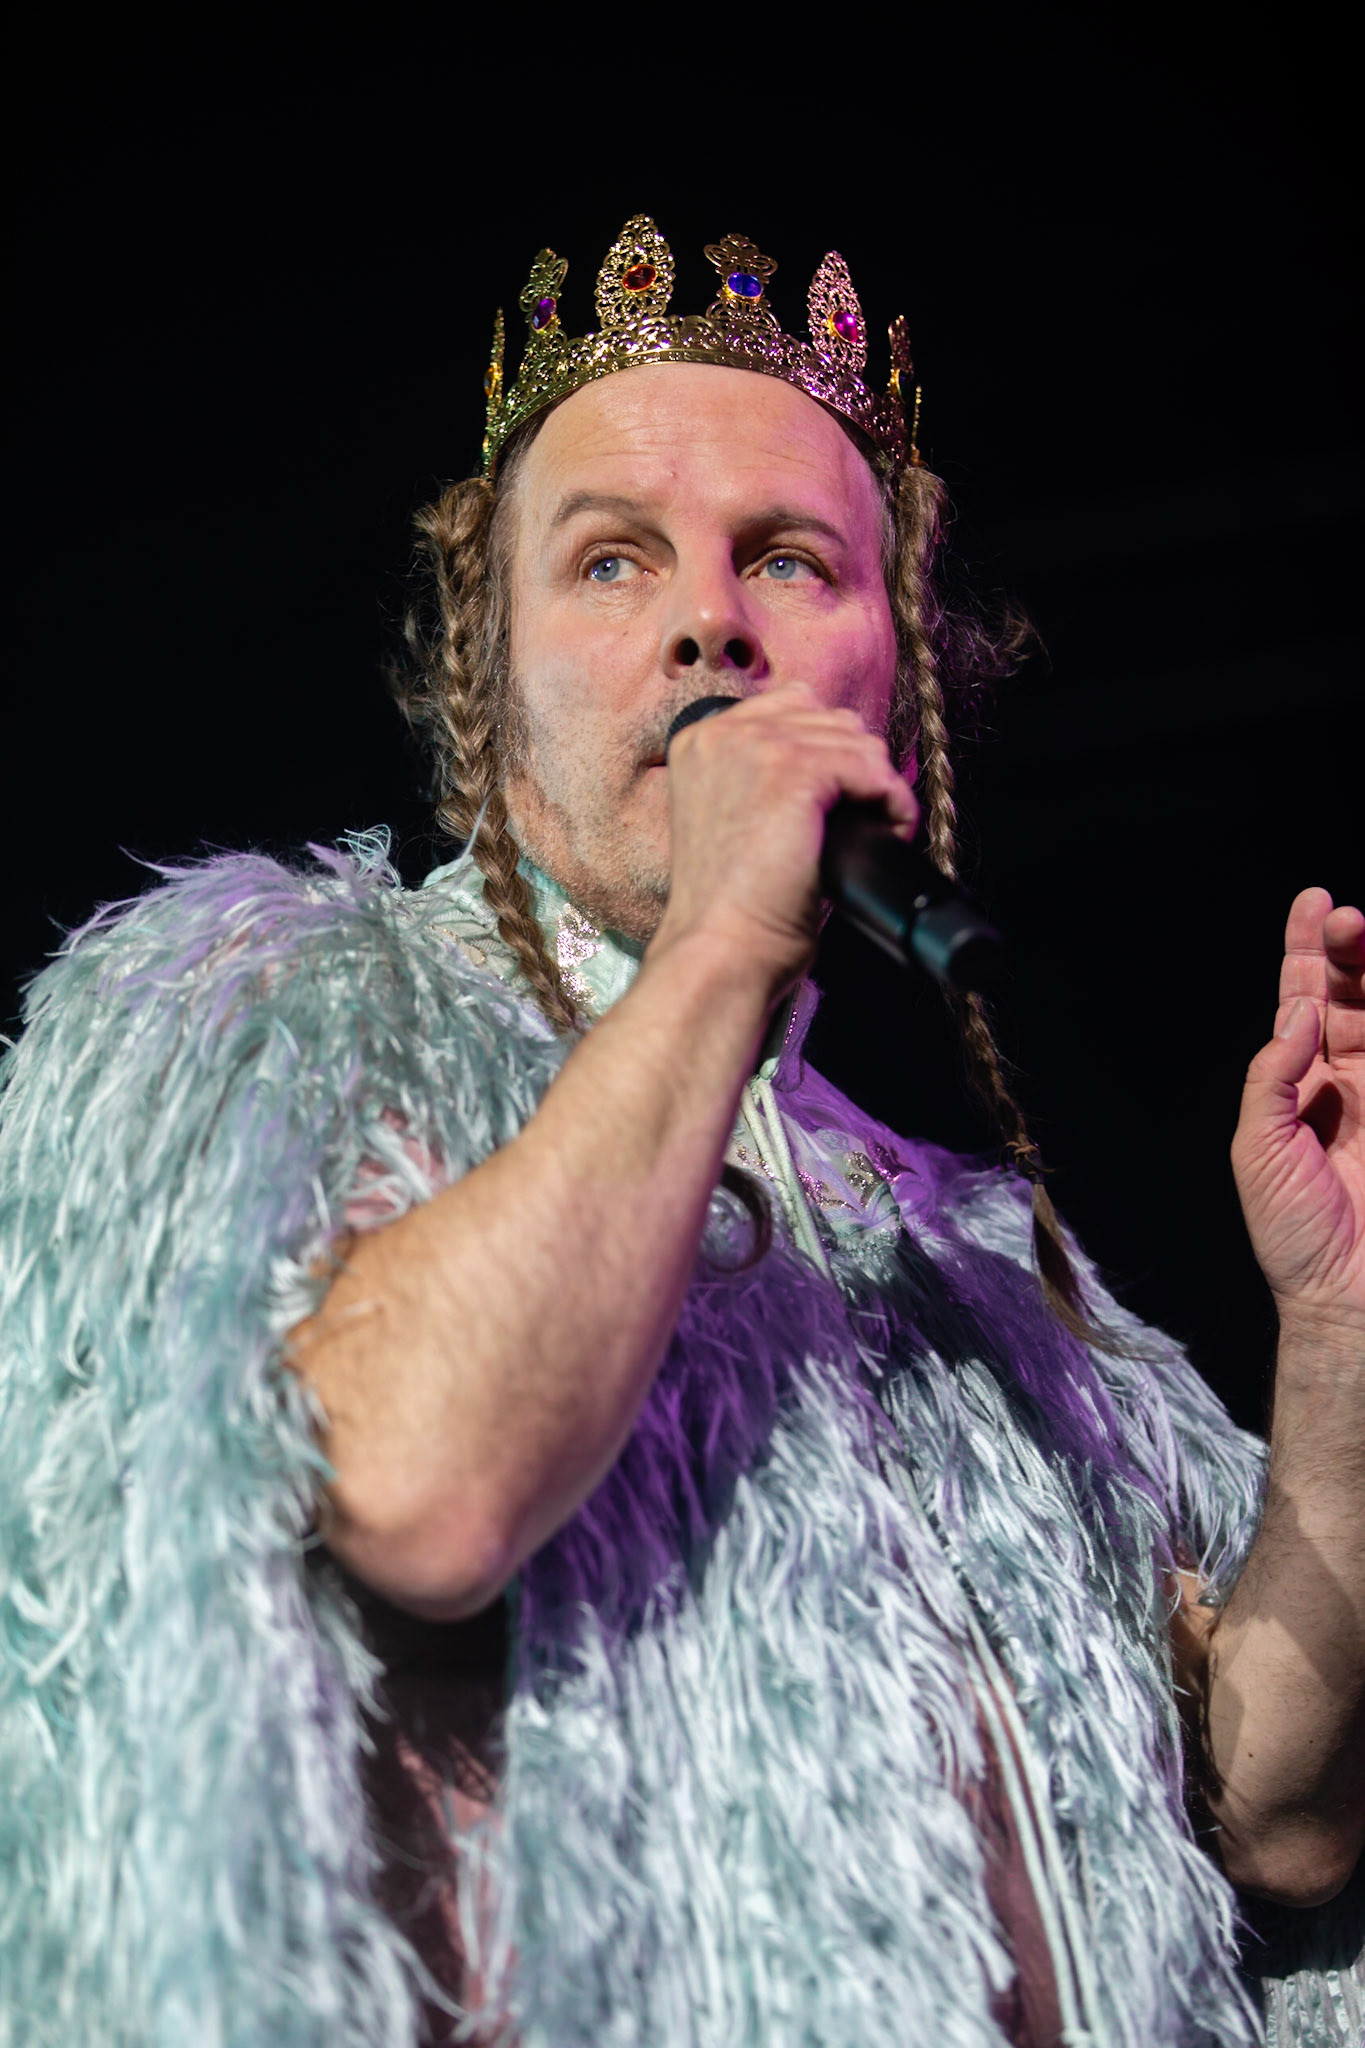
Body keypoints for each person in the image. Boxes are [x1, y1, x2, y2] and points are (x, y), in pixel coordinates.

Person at [1, 215, 1361, 2048]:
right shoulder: (265, 1015)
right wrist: (723, 939)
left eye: (788, 560)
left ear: (900, 688)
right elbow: (413, 1493)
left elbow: (1278, 1827)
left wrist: (1341, 1326)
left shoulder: (977, 1258)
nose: (711, 620)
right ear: (491, 681)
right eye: (611, 559)